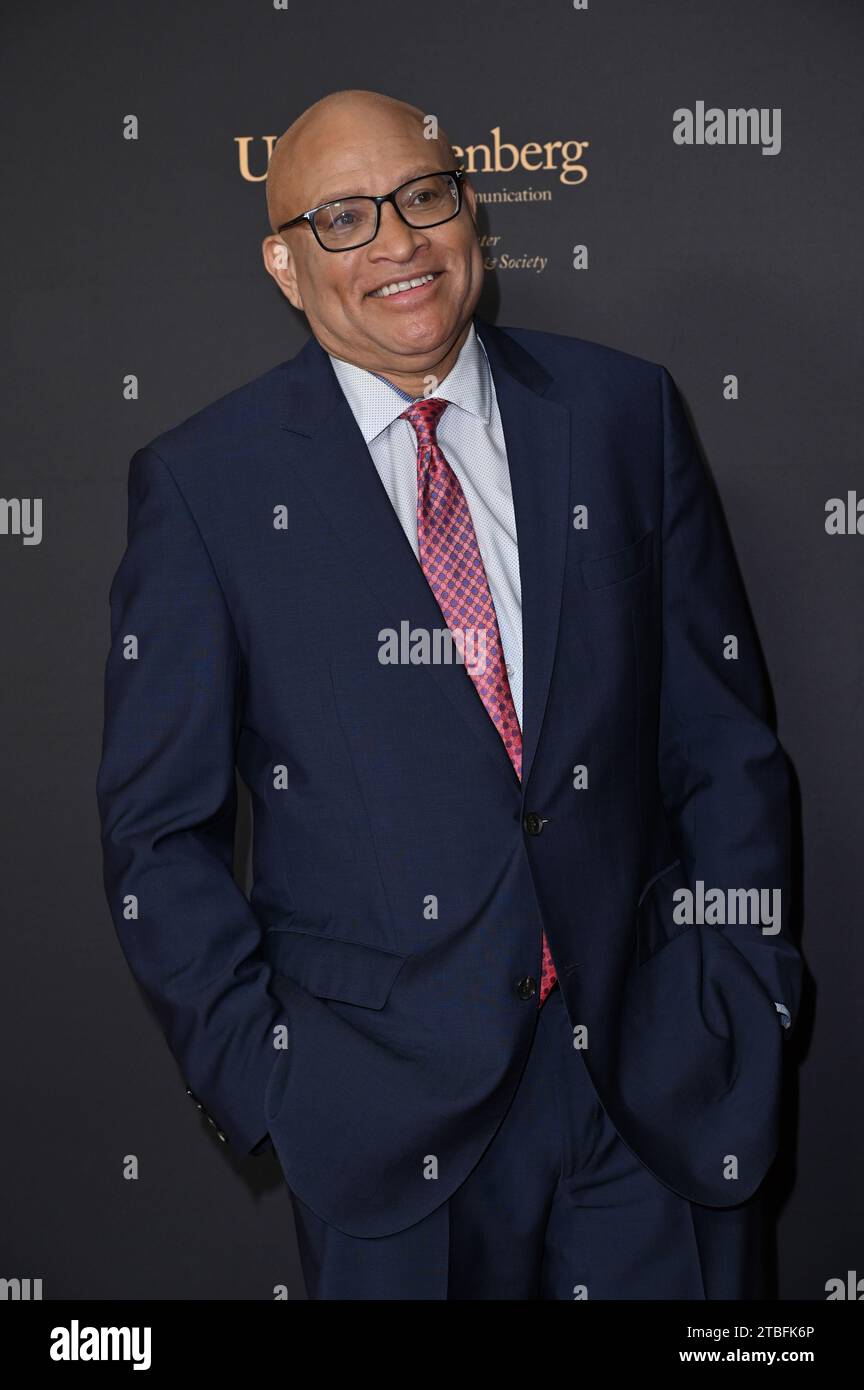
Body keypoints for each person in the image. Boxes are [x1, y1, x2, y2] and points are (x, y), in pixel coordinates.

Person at [96, 88, 803, 1300]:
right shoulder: (208, 486)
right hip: (383, 1123)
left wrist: (741, 985)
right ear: (283, 261)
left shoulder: (623, 413)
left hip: (660, 1084)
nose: (397, 242)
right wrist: (273, 1080)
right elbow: (157, 834)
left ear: (469, 211)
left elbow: (722, 743)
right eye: (344, 218)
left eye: (424, 196)